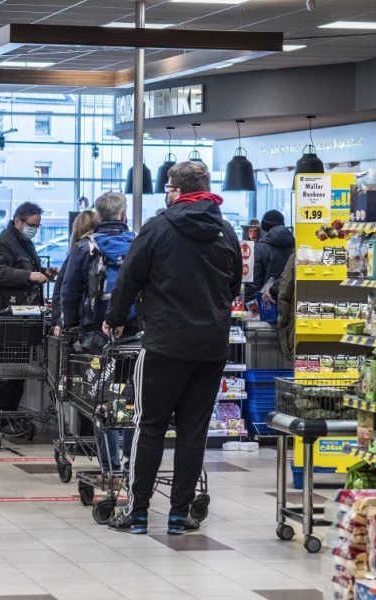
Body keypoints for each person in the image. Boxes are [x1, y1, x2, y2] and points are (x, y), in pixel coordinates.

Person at [104, 161, 241, 535]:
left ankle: (138, 513)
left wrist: (115, 317)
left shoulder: (159, 227)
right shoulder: (225, 231)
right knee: (193, 433)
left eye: (167, 186)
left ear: (176, 191)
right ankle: (180, 515)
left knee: (149, 427)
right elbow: (233, 287)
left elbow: (130, 276)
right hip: (211, 347)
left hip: (165, 342)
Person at [61, 192, 136, 478]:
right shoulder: (138, 243)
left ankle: (110, 465)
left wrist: (73, 326)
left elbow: (70, 292)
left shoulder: (85, 246)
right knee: (126, 397)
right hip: (132, 334)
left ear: (99, 215)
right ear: (123, 215)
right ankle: (130, 461)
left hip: (95, 336)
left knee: (102, 399)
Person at [0, 202, 58, 412]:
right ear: (18, 221)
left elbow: (26, 267)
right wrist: (29, 276)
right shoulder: (3, 242)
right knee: (6, 371)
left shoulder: (25, 243)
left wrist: (44, 272)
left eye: (38, 226)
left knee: (19, 372)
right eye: (32, 225)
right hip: (8, 315)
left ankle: (11, 415)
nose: (35, 230)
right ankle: (2, 415)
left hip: (25, 315)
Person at [50, 210, 98, 336]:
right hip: (99, 319)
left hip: (81, 323)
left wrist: (64, 322)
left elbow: (67, 291)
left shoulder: (79, 249)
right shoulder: (103, 249)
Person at [243, 210, 294, 302]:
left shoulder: (259, 249)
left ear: (264, 228)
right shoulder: (294, 245)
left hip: (265, 305)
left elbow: (253, 284)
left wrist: (250, 307)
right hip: (289, 303)